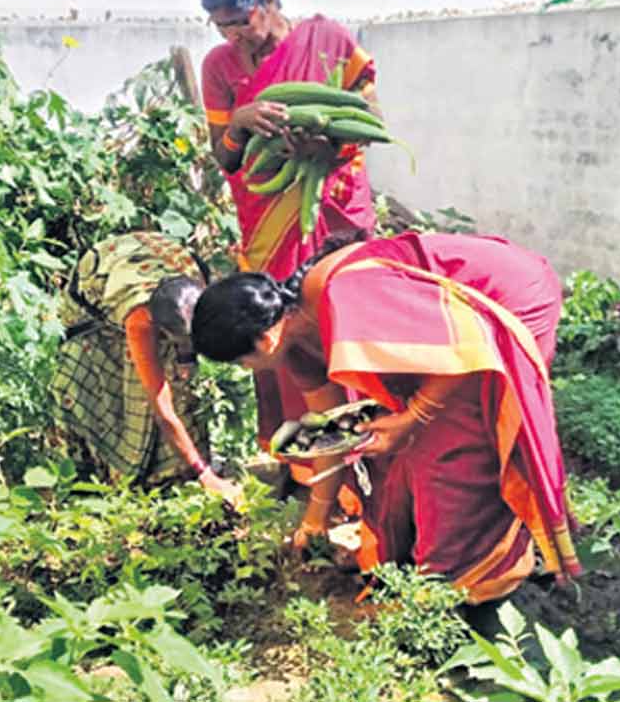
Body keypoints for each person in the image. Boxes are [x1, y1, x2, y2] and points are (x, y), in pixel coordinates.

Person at [191, 231, 583, 605]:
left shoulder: (343, 296)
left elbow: (467, 344)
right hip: (453, 335)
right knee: (389, 448)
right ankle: (414, 560)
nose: (247, 369)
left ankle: (465, 584)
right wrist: (315, 520)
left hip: (503, 300)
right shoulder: (293, 339)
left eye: (243, 361)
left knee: (456, 449)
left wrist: (413, 417)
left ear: (263, 341)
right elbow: (331, 428)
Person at [199, 0, 379, 450]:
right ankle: (295, 456)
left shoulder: (329, 44)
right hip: (267, 220)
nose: (232, 35)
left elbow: (369, 122)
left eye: (239, 21)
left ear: (269, 1)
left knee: (347, 321)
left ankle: (368, 446)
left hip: (334, 208)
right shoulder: (219, 67)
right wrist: (239, 122)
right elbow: (226, 160)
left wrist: (324, 148)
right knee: (271, 331)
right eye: (220, 26)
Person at [51, 231, 240, 502]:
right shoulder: (139, 318)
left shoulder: (199, 284)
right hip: (93, 320)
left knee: (180, 379)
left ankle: (174, 472)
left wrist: (186, 358)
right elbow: (162, 409)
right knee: (131, 393)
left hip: (142, 265)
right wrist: (204, 474)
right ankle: (123, 478)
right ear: (156, 325)